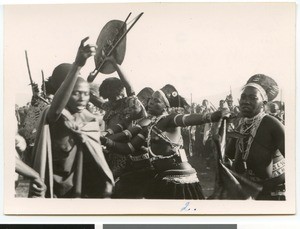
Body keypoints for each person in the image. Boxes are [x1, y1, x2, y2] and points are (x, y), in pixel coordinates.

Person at [101, 85, 230, 199]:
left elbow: (188, 119)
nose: (150, 102)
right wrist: (104, 141)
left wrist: (212, 116)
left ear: (166, 106)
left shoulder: (170, 119)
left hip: (178, 180)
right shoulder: (149, 126)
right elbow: (129, 148)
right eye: (151, 99)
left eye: (156, 100)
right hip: (163, 177)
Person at [30, 37, 114, 198]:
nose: (83, 98)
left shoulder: (90, 120)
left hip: (83, 191)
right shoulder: (54, 115)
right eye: (76, 93)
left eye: (86, 93)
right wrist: (77, 65)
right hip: (54, 190)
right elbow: (56, 110)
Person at [226, 74, 285, 200]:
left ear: (263, 103)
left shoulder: (272, 124)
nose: (246, 101)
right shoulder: (241, 124)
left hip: (276, 194)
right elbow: (229, 156)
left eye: (253, 98)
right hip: (251, 192)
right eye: (243, 97)